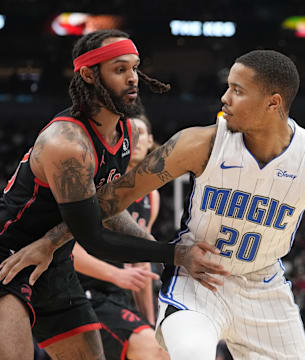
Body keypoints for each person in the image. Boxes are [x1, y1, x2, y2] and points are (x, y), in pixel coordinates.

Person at [3, 49, 305, 359]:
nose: (224, 98)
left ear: (273, 102)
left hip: (264, 287)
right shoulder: (198, 143)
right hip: (197, 280)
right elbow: (110, 200)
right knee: (191, 353)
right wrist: (50, 243)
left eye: (237, 90)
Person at [0, 29, 227, 360]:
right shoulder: (67, 144)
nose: (133, 78)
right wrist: (175, 255)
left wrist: (167, 250)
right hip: (8, 256)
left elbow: (106, 206)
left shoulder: (129, 135)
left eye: (135, 67)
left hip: (56, 264)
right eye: (120, 69)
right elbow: (92, 235)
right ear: (90, 75)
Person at [73, 113, 168, 360]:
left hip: (118, 293)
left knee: (160, 346)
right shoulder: (96, 182)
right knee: (155, 352)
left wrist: (149, 319)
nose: (135, 139)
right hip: (81, 289)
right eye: (129, 133)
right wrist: (118, 275)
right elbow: (66, 250)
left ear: (151, 142)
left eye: (141, 133)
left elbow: (140, 260)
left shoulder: (151, 197)